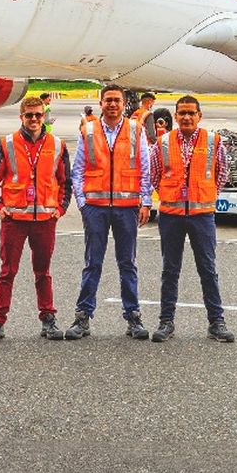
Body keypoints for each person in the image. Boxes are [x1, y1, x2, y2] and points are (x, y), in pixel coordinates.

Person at [0, 96, 71, 342]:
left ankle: (48, 320)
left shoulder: (57, 144)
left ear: (44, 117)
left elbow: (66, 182)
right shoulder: (6, 144)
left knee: (43, 272)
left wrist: (60, 209)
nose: (33, 119)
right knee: (7, 271)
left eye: (38, 115)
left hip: (44, 220)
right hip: (14, 220)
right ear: (21, 117)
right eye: (29, 115)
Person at [68, 84, 152, 340]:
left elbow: (145, 169)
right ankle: (82, 317)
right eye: (108, 100)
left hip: (127, 208)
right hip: (96, 208)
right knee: (92, 263)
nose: (112, 104)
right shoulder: (89, 130)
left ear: (124, 103)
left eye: (117, 100)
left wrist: (145, 202)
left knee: (127, 263)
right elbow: (78, 170)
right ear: (101, 103)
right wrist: (82, 203)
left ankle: (133, 317)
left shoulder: (136, 130)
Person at [148, 95, 235, 344]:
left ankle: (216, 322)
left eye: (191, 113)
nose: (186, 117)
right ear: (175, 116)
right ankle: (166, 322)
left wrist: (206, 196)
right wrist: (169, 194)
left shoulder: (212, 141)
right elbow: (155, 175)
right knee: (170, 270)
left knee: (208, 269)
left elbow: (222, 172)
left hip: (202, 215)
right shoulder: (163, 142)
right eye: (182, 113)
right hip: (172, 215)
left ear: (199, 116)